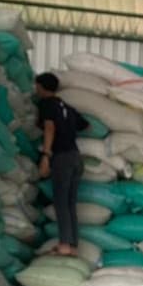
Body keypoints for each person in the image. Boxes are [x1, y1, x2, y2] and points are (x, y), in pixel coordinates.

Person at [34, 72, 87, 257]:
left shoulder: (46, 104)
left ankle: (64, 245)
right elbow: (85, 125)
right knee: (70, 203)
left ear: (41, 87)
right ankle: (72, 245)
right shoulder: (67, 107)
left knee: (61, 202)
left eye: (37, 86)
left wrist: (46, 155)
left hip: (62, 157)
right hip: (76, 157)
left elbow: (49, 127)